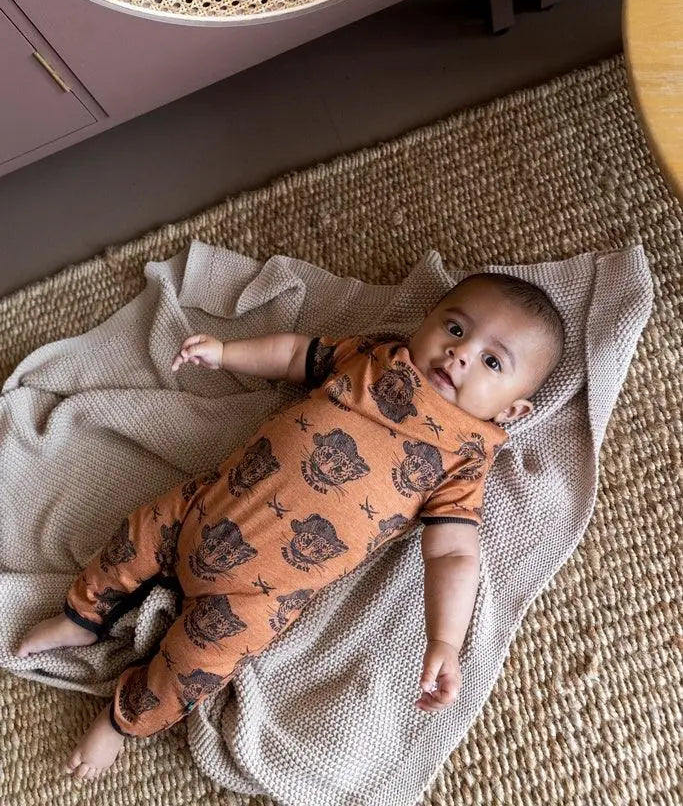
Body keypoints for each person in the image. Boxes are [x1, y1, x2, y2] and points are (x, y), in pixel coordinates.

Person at [15, 271, 564, 781]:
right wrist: (226, 352)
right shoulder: (374, 357)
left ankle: (122, 720)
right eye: (455, 328)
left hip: (257, 595)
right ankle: (83, 615)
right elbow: (297, 354)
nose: (460, 354)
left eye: (492, 362)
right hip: (204, 506)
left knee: (196, 667)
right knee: (135, 535)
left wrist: (445, 640)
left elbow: (452, 554)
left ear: (512, 411)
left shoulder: (463, 457)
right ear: (427, 321)